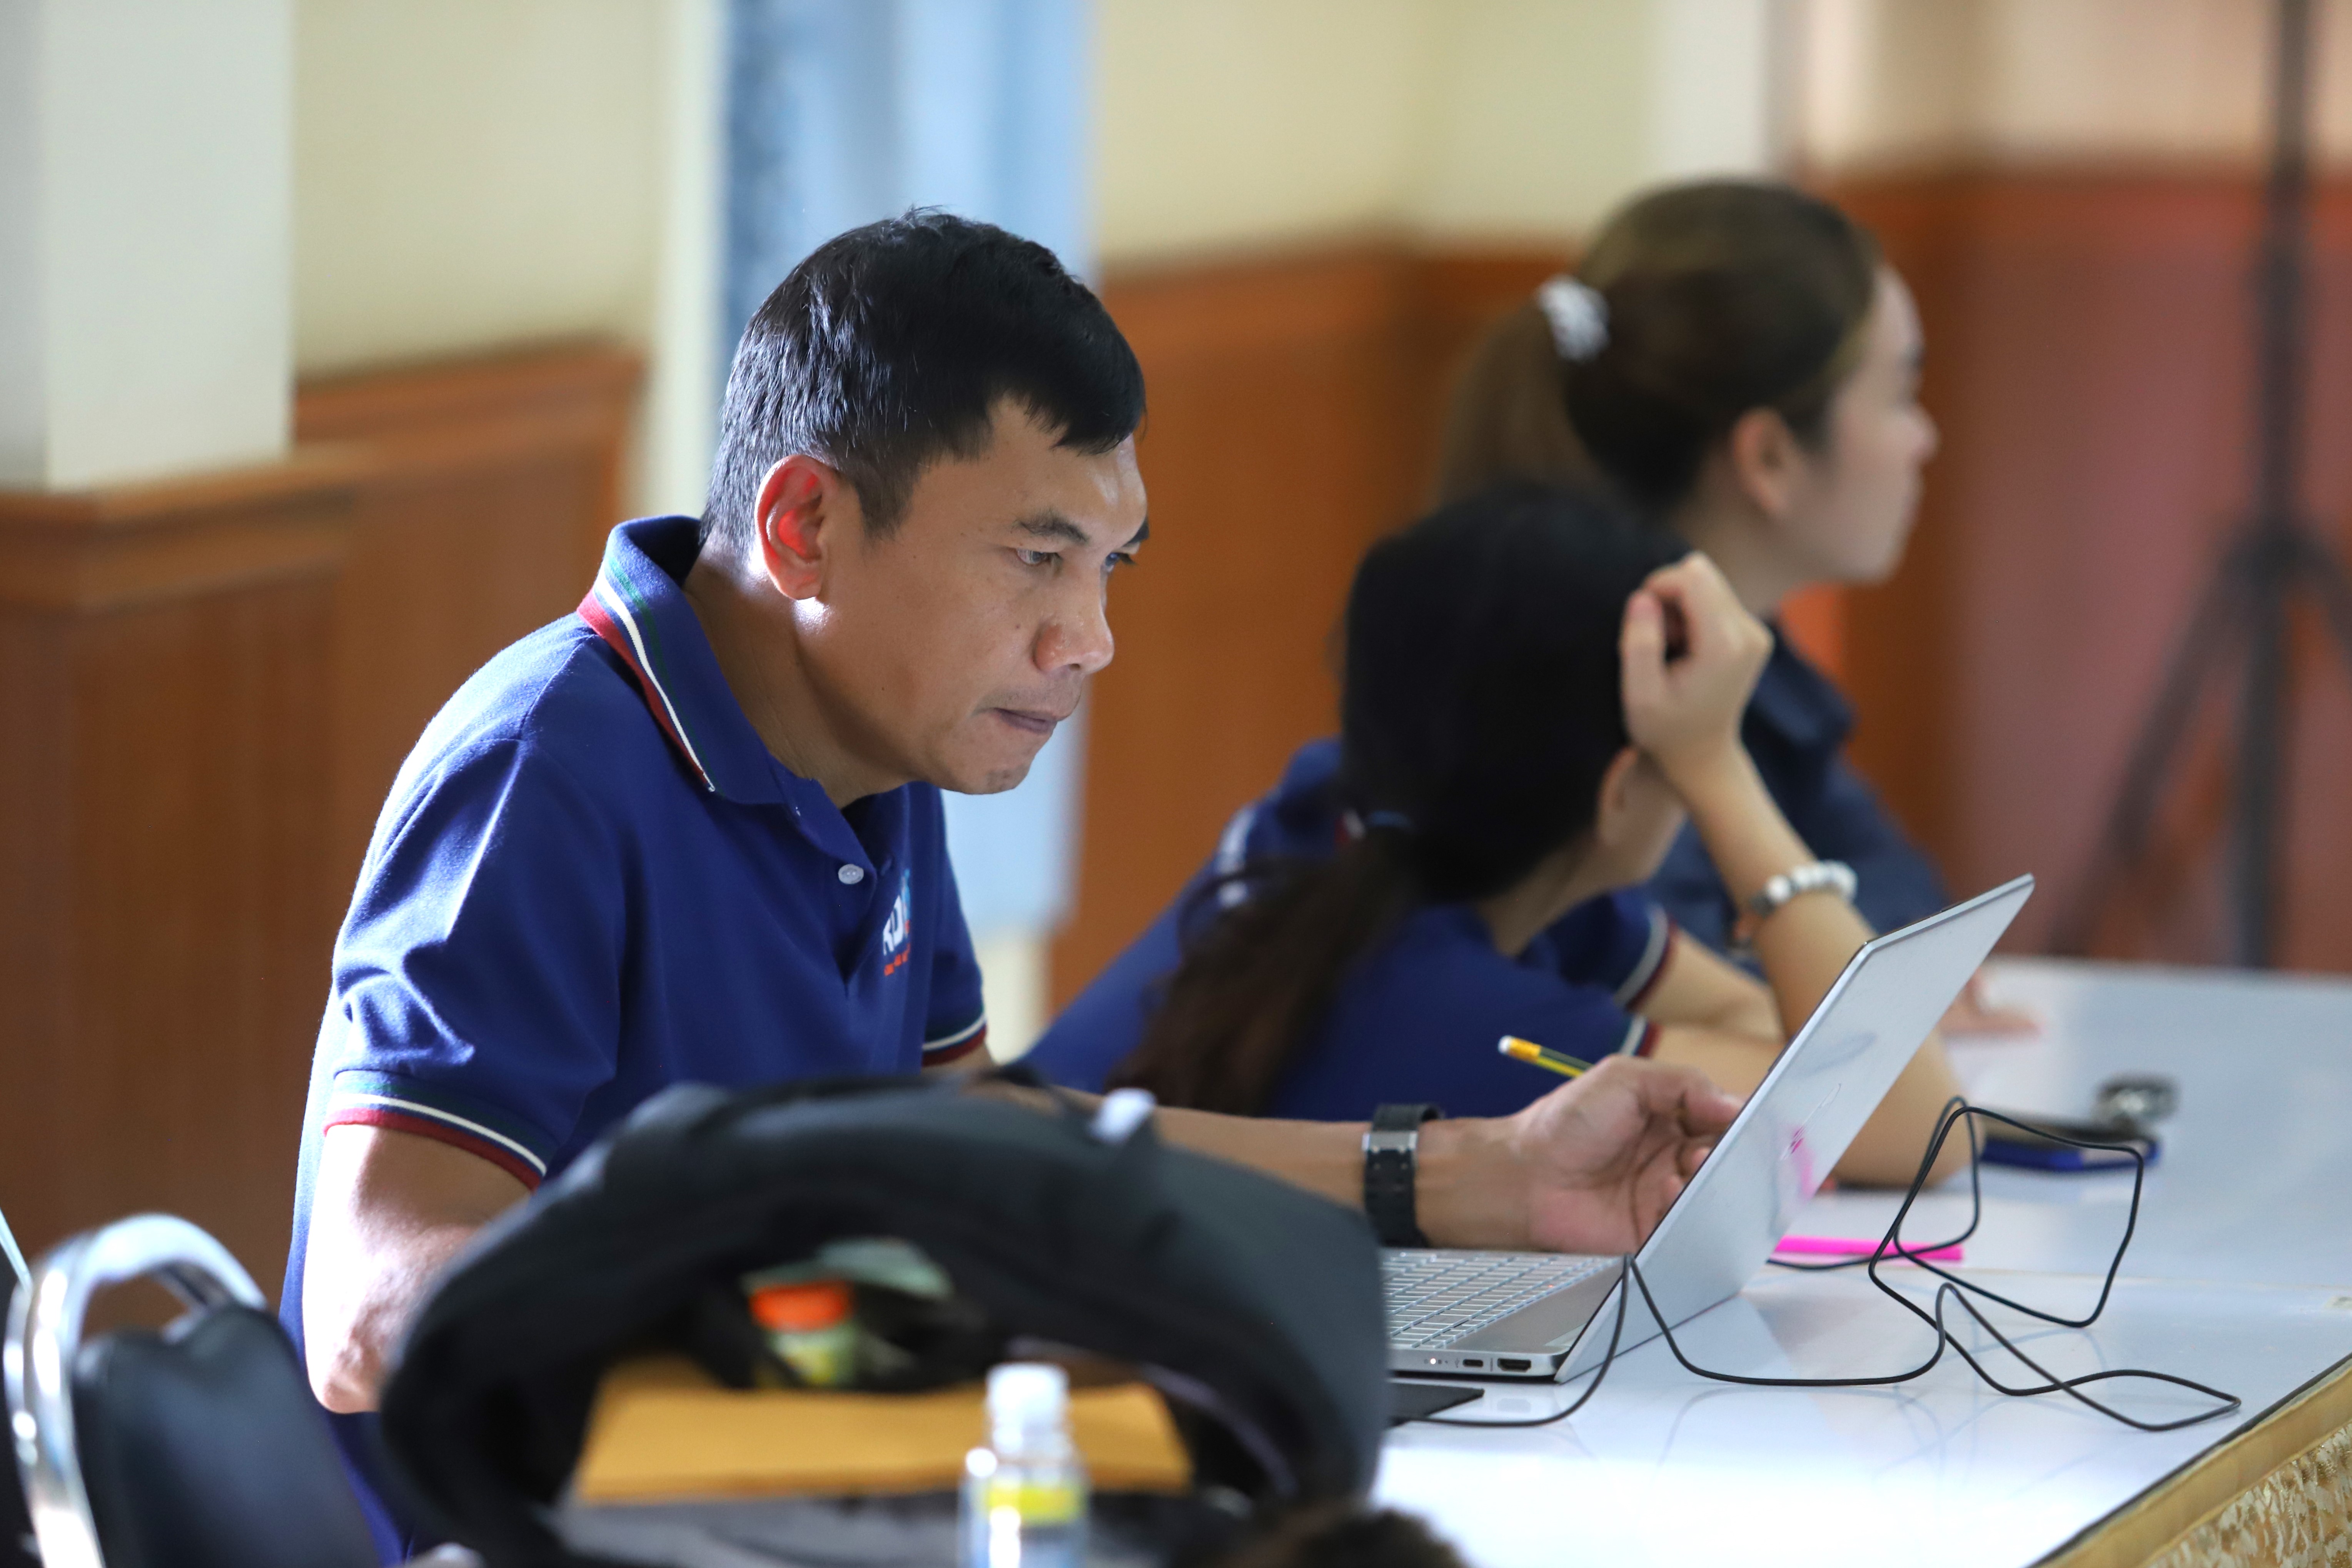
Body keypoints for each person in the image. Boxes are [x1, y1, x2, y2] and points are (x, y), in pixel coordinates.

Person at [282, 213, 1738, 1561]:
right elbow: (371, 1310)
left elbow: (982, 1134)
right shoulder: (547, 768)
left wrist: (1480, 1173)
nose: (1088, 638)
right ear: (805, 526)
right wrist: (854, 1350)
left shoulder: (874, 742)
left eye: (1108, 566)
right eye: (1037, 558)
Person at [1030, 484, 1965, 1188]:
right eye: (1679, 769)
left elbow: (1774, 1032)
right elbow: (1914, 1125)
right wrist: (1721, 766)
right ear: (1619, 792)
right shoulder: (1463, 1005)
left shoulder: (1374, 818)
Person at [1434, 179, 2024, 1036]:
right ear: (1769, 456)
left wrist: (1834, 962)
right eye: (1900, 394)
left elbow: (1903, 895)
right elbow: (1716, 1012)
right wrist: (1818, 967)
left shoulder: (1745, 648)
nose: (1924, 438)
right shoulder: (1600, 704)